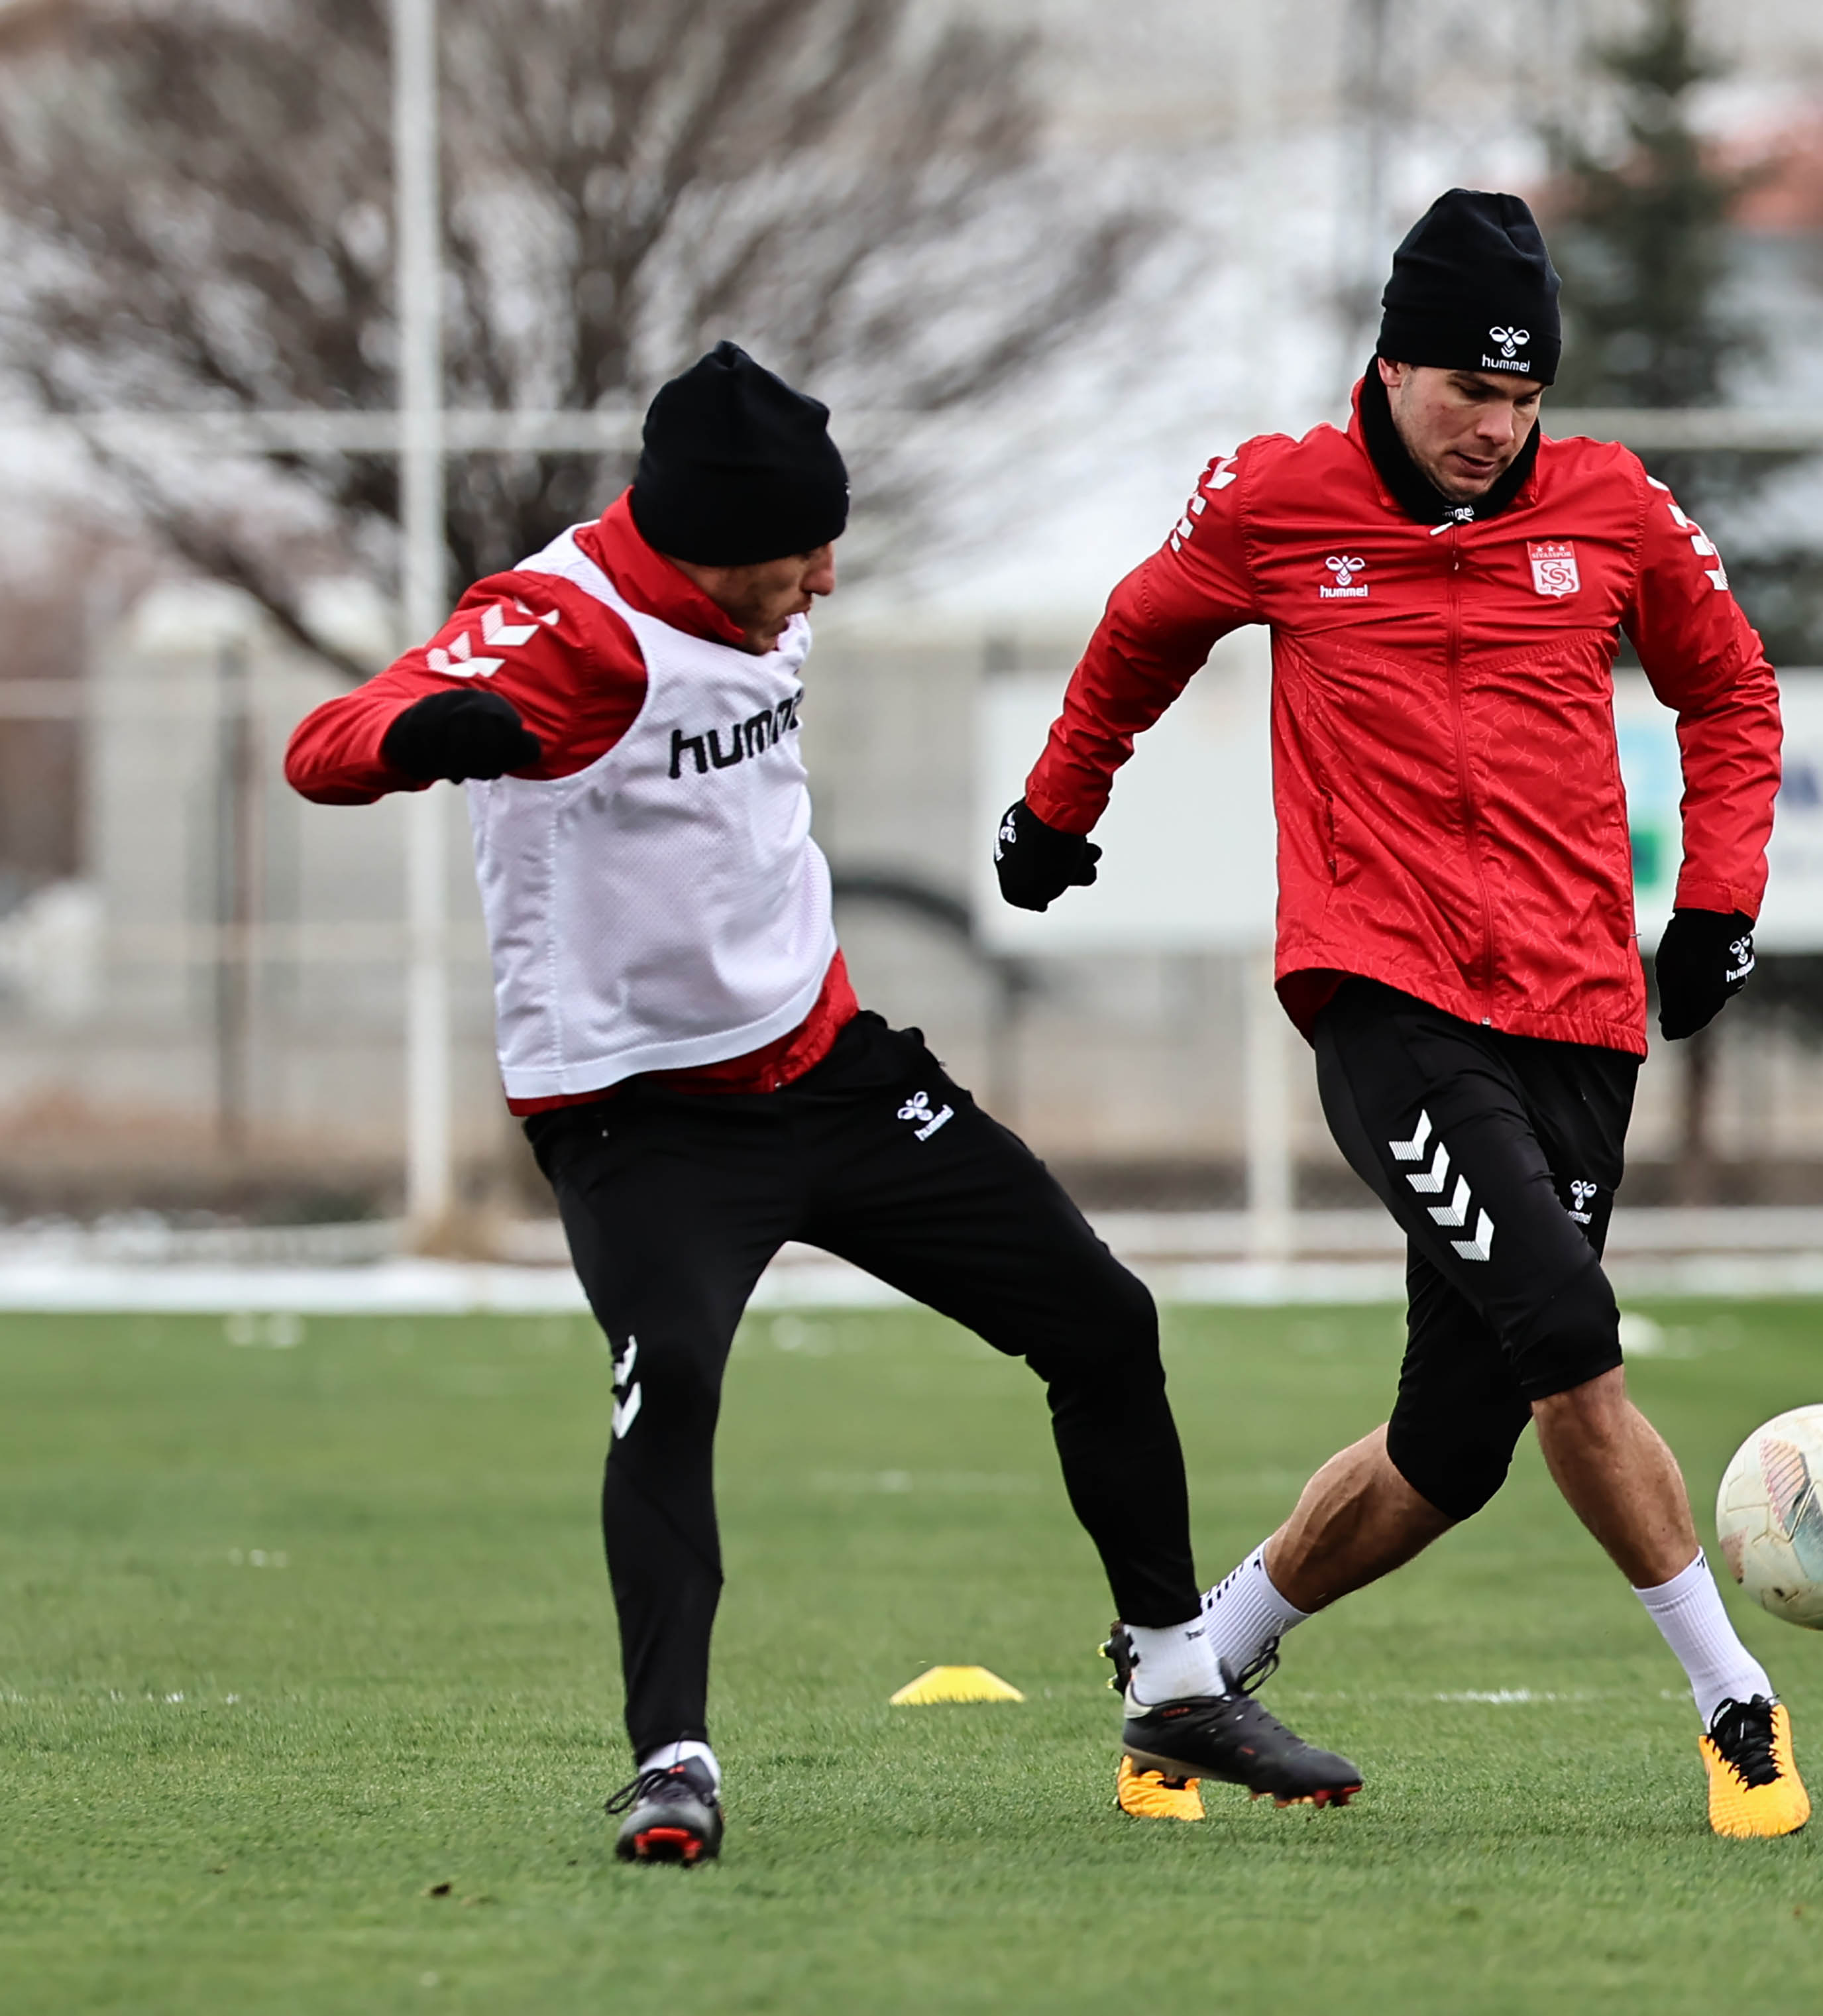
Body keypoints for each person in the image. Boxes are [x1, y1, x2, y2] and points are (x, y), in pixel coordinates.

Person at [285, 343, 1360, 1862]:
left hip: (831, 1068)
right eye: (800, 557)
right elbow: (318, 746)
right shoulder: (554, 628)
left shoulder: (759, 596)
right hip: (638, 1117)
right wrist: (423, 736)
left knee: (1102, 1321)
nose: (827, 584)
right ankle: (671, 1762)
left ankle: (1175, 1683)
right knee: (672, 1394)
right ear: (708, 543)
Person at [995, 192, 1802, 1840]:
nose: (1494, 434)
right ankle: (1738, 1707)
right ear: (1393, 362)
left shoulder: (1610, 506)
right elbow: (1139, 641)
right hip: (1382, 996)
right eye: (1465, 397)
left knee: (1454, 1447)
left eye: (1521, 403)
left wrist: (1717, 899)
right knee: (1570, 1338)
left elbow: (1727, 686)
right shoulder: (1275, 499)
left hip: (1576, 1011)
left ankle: (1191, 1673)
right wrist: (1058, 808)